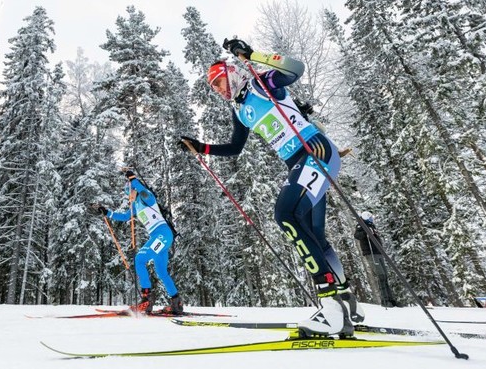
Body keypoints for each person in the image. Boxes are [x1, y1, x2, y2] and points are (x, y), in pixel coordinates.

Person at [178, 38, 363, 337]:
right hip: (300, 163)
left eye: (220, 81)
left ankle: (331, 312)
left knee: (286, 213)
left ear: (233, 72)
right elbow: (236, 148)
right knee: (314, 235)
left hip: (314, 152)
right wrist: (202, 148)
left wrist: (252, 55)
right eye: (214, 88)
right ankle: (346, 303)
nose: (219, 90)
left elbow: (295, 68)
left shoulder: (261, 84)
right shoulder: (240, 110)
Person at [88, 169, 183, 315]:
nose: (129, 196)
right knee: (161, 271)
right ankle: (176, 303)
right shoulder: (135, 205)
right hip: (158, 238)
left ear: (134, 190)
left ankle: (146, 299)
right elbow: (126, 216)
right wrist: (106, 212)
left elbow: (144, 191)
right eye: (127, 193)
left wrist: (133, 179)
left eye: (130, 192)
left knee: (139, 259)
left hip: (162, 235)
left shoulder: (147, 197)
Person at [354, 213, 399, 308]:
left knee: (385, 275)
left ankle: (391, 299)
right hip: (371, 253)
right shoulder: (361, 225)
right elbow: (357, 235)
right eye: (370, 217)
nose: (371, 219)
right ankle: (385, 300)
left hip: (378, 252)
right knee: (381, 275)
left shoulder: (371, 226)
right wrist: (366, 232)